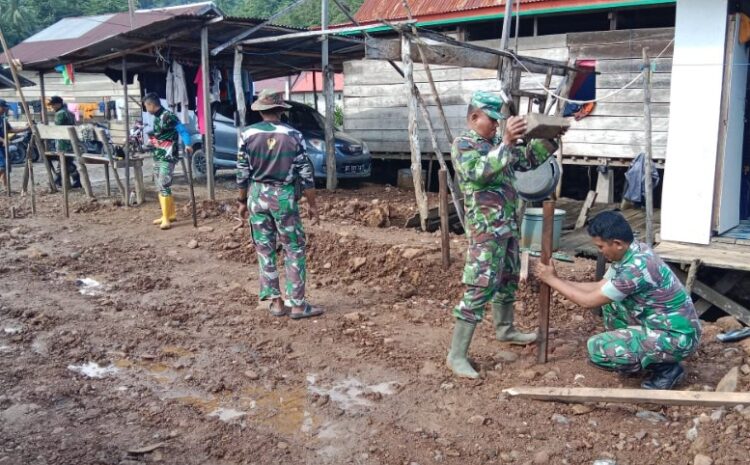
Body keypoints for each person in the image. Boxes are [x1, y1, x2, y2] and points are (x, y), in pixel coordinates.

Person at [447, 91, 560, 379]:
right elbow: (478, 173)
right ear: (474, 117)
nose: (497, 127)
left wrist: (549, 138)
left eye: (500, 123)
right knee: (479, 286)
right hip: (485, 231)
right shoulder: (464, 145)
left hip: (507, 225)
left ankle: (505, 328)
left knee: (508, 278)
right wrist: (507, 143)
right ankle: (456, 355)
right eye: (493, 121)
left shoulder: (496, 144)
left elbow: (526, 160)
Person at [534, 211, 702, 390]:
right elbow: (600, 287)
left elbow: (588, 301)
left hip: (678, 338)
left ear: (617, 244)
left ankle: (666, 369)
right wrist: (557, 279)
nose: (600, 252)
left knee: (597, 347)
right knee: (612, 303)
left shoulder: (635, 269)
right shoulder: (633, 251)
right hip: (663, 326)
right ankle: (643, 355)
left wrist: (552, 280)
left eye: (600, 247)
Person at [236, 89, 323, 320]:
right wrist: (312, 205)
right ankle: (297, 305)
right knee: (293, 248)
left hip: (256, 195)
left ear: (262, 110)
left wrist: (242, 201)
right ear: (281, 110)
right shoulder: (293, 135)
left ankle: (275, 303)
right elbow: (306, 173)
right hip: (283, 197)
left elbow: (242, 172)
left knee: (265, 249)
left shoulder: (246, 134)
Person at [141, 92, 193, 230]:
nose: (146, 110)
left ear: (151, 105)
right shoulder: (157, 118)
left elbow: (182, 130)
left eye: (146, 106)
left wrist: (188, 144)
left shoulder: (168, 116)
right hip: (159, 155)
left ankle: (166, 218)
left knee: (164, 184)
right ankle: (169, 215)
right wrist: (152, 141)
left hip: (168, 156)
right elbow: (162, 135)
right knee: (160, 185)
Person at [47, 96, 82, 188]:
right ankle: (72, 180)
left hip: (63, 142)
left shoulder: (60, 113)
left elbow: (57, 128)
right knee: (66, 162)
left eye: (53, 105)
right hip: (70, 141)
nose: (52, 107)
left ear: (59, 104)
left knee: (64, 161)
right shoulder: (69, 112)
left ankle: (59, 180)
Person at [0, 99, 28, 189]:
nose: (5, 109)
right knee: (2, 166)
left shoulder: (3, 119)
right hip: (2, 144)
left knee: (7, 166)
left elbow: (10, 130)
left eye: (6, 107)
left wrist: (25, 129)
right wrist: (3, 140)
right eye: (3, 107)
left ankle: (5, 186)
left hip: (2, 146)